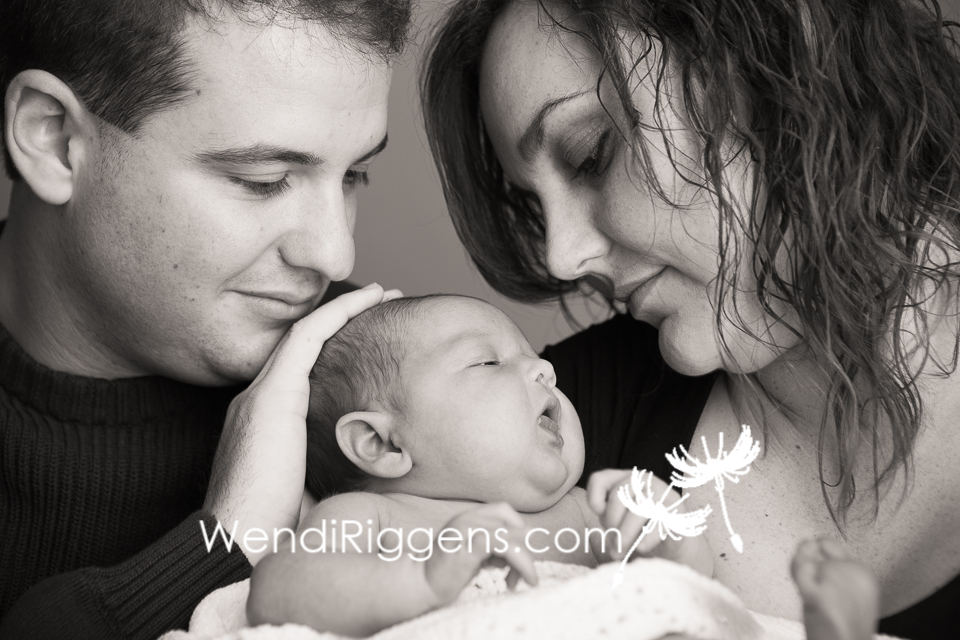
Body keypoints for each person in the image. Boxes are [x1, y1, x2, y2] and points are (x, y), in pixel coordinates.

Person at [420, 0, 960, 638]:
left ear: (769, 67)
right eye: (537, 204)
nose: (562, 257)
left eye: (591, 154)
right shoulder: (550, 429)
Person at [0, 0, 411, 637]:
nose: (335, 255)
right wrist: (228, 543)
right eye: (263, 179)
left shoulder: (389, 382)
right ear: (54, 140)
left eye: (355, 173)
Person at [246, 294, 877, 640]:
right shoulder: (373, 518)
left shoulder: (580, 515)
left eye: (530, 354)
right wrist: (422, 583)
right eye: (488, 363)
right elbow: (278, 591)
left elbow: (682, 590)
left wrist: (664, 529)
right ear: (382, 445)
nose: (544, 369)